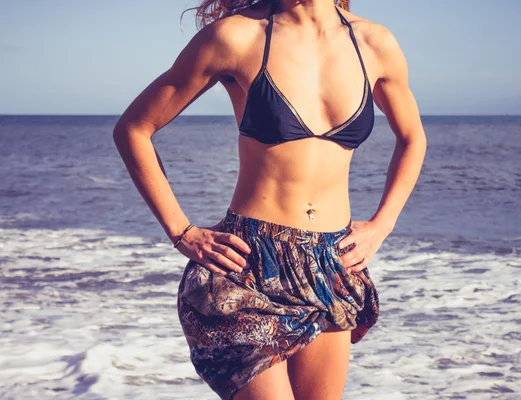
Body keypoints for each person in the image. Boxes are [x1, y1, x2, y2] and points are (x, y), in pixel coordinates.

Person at [113, 0, 427, 398]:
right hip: (247, 264)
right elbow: (134, 128)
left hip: (330, 263)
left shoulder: (374, 43)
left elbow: (413, 138)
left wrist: (383, 224)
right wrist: (182, 231)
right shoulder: (237, 36)